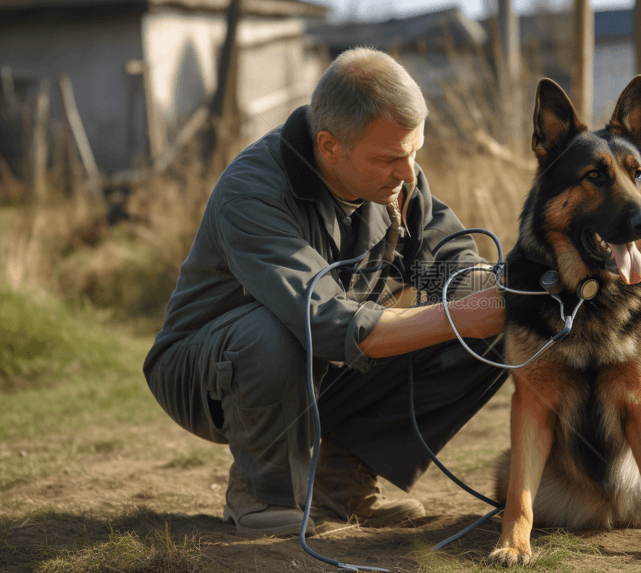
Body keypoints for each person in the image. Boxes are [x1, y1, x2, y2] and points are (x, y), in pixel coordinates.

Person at [143, 47, 508, 537]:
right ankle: (263, 496)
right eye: (390, 159)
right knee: (270, 331)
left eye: (415, 152)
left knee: (497, 326)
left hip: (323, 361)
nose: (408, 173)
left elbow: (452, 259)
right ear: (330, 146)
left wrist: (503, 292)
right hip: (211, 367)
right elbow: (326, 322)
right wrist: (462, 316)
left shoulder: (397, 176)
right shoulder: (251, 191)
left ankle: (340, 487)